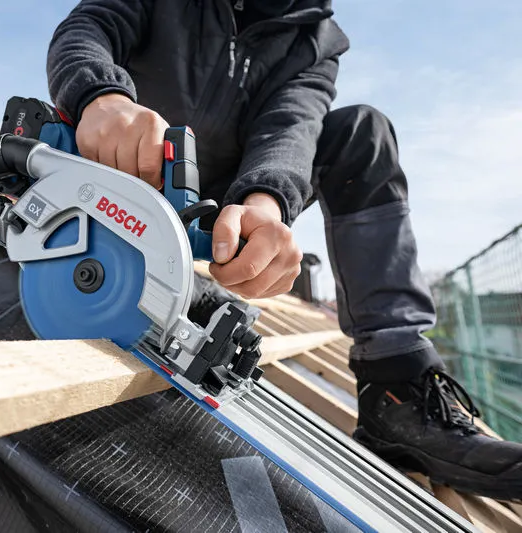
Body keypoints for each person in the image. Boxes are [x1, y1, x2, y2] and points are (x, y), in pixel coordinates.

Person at [45, 0, 522, 500]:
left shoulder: (317, 41)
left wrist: (267, 202)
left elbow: (291, 125)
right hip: (119, 169)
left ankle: (396, 384)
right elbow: (90, 25)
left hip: (222, 202)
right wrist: (101, 95)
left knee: (363, 131)